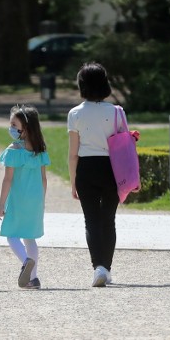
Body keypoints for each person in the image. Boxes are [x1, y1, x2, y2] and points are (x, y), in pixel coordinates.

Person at [68, 62, 125, 287]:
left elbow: (73, 154)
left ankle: (98, 267)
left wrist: (73, 181)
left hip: (86, 168)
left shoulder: (75, 114)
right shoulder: (116, 111)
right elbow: (124, 148)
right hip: (112, 168)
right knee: (108, 220)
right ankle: (107, 268)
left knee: (91, 221)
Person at [0, 105, 50, 290]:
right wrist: (42, 201)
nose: (10, 127)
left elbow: (7, 180)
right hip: (36, 199)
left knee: (12, 235)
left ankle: (27, 262)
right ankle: (32, 280)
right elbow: (44, 179)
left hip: (19, 199)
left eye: (13, 124)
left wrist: (1, 204)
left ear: (24, 128)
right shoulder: (40, 150)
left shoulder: (13, 150)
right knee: (30, 238)